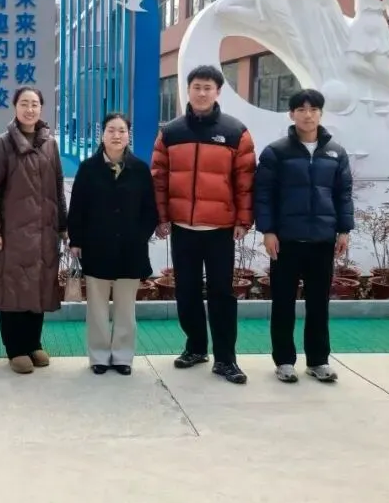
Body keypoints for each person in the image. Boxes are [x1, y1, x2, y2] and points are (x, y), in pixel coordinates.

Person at [151, 64, 256, 384]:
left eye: (208, 87)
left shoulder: (235, 132)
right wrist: (162, 218)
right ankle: (195, 347)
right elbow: (159, 179)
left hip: (220, 229)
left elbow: (245, 181)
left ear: (218, 92)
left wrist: (243, 220)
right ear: (188, 90)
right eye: (196, 87)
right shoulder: (171, 132)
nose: (201, 92)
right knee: (186, 291)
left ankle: (225, 359)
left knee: (222, 293)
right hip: (183, 229)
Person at [253, 88, 353, 383]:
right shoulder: (276, 152)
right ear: (291, 114)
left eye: (313, 109)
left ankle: (318, 361)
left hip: (322, 240)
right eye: (301, 109)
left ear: (321, 113)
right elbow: (264, 195)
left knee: (319, 303)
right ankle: (284, 361)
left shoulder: (336, 153)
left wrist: (344, 230)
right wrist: (268, 231)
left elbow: (343, 194)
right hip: (286, 241)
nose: (307, 115)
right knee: (283, 302)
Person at [0, 86, 67, 375]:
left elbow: (58, 187)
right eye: (24, 104)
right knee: (13, 288)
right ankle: (15, 349)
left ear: (41, 108)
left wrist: (63, 225)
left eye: (34, 104)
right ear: (15, 107)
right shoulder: (2, 144)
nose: (30, 109)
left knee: (40, 287)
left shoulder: (50, 144)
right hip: (12, 233)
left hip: (45, 232)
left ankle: (33, 343)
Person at [68, 113, 159, 375]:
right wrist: (76, 240)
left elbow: (150, 210)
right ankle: (98, 356)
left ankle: (122, 356)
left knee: (125, 307)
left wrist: (139, 236)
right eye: (111, 130)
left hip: (131, 249)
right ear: (102, 135)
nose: (116, 135)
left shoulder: (140, 169)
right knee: (96, 307)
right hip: (96, 247)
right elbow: (77, 208)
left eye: (121, 130)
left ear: (129, 135)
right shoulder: (88, 168)